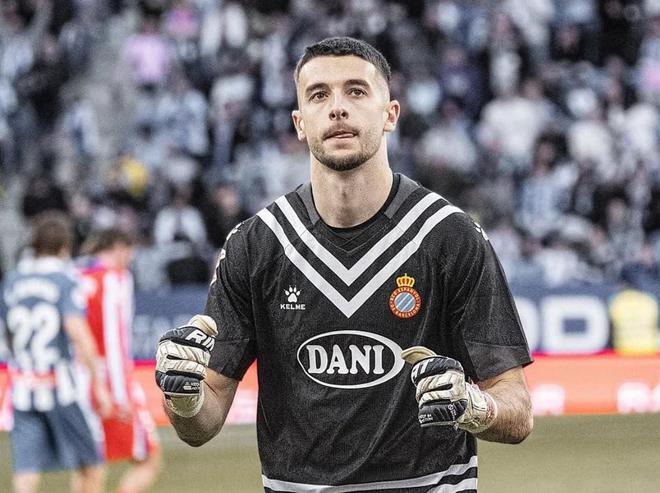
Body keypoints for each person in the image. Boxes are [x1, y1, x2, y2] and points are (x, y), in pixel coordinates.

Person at [155, 37, 534, 492]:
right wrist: (184, 398)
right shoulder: (255, 245)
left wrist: (474, 406)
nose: (337, 108)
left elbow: (517, 407)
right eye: (319, 95)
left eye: (356, 91)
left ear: (390, 114)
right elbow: (204, 418)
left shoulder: (449, 235)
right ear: (299, 123)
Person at [0, 211, 111, 493]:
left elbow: (6, 334)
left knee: (26, 471)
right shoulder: (65, 280)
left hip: (23, 385)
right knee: (91, 463)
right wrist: (98, 384)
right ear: (65, 246)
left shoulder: (12, 281)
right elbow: (77, 332)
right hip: (60, 385)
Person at [79, 228, 161, 493]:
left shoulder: (77, 276)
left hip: (78, 379)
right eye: (129, 252)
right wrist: (120, 394)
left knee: (89, 465)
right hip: (107, 380)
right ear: (118, 247)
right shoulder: (115, 279)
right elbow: (114, 339)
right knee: (149, 458)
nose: (130, 259)